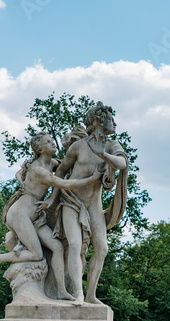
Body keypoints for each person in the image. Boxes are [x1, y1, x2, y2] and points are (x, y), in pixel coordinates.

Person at [0, 132, 101, 301]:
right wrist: (92, 179)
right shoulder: (38, 169)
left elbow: (64, 167)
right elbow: (64, 183)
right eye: (48, 142)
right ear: (39, 149)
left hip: (35, 215)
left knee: (57, 247)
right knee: (36, 254)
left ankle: (61, 290)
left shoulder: (51, 163)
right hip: (20, 214)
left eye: (52, 140)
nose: (53, 144)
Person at [47, 102, 128, 305]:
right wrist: (53, 196)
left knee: (102, 248)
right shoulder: (78, 147)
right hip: (71, 200)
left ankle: (91, 294)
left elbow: (122, 163)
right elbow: (61, 170)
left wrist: (104, 155)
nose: (115, 122)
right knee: (74, 245)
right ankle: (78, 293)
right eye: (111, 118)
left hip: (93, 205)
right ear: (97, 120)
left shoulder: (111, 145)